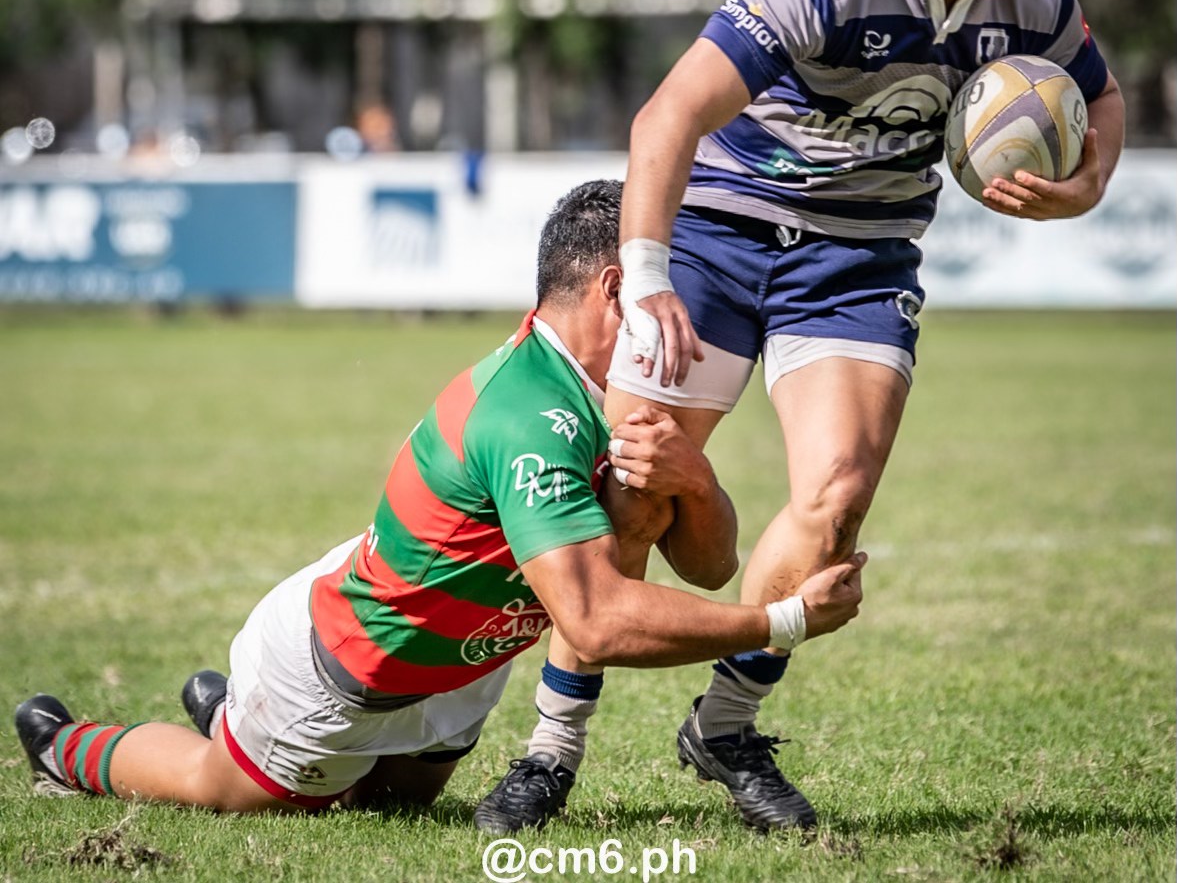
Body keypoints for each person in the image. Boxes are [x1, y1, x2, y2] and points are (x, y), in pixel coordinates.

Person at [483, 0, 1125, 833]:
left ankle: (725, 728)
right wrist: (647, 279)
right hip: (722, 231)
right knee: (637, 487)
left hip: (859, 257)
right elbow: (667, 116)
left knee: (834, 499)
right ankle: (552, 746)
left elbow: (1098, 94)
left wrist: (1085, 182)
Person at [13, 179, 867, 819]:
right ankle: (69, 748)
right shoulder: (528, 414)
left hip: (461, 674)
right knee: (230, 792)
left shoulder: (623, 399)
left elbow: (710, 566)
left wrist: (694, 476)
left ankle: (230, 715)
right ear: (616, 289)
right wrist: (783, 623)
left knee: (393, 814)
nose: (686, 312)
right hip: (346, 670)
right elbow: (597, 622)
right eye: (665, 285)